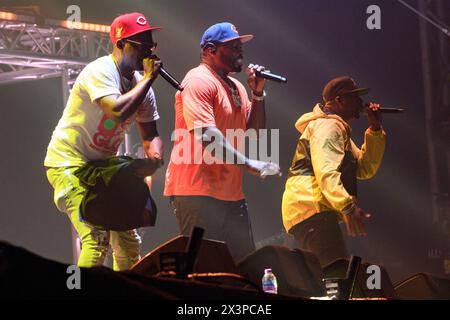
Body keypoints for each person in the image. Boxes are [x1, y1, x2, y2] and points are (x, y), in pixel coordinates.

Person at [44, 12, 164, 270]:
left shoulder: (143, 88)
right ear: (121, 44)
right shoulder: (100, 71)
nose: (148, 51)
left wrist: (155, 158)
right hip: (69, 164)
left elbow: (151, 134)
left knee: (129, 241)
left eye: (150, 44)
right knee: (96, 238)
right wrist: (149, 78)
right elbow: (117, 110)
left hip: (102, 169)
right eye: (141, 44)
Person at [164, 22, 280, 262]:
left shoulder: (236, 86)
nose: (240, 51)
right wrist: (250, 164)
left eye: (240, 45)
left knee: (244, 268)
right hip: (197, 193)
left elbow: (255, 132)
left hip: (231, 194)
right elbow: (207, 136)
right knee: (205, 269)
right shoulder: (198, 81)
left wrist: (258, 93)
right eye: (233, 46)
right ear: (210, 50)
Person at [281, 76, 386, 267]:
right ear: (339, 100)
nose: (361, 103)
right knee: (335, 276)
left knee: (326, 278)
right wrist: (347, 206)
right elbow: (326, 169)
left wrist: (375, 129)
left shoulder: (336, 127)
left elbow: (364, 168)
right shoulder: (329, 126)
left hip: (308, 210)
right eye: (355, 98)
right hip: (311, 207)